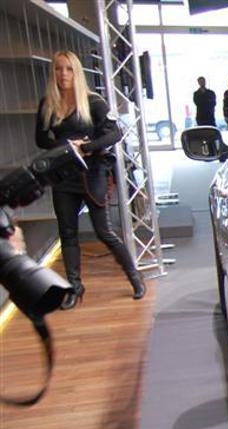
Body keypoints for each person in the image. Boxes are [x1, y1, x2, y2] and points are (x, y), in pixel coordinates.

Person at [34, 51, 145, 310]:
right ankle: (75, 288)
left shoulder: (93, 101)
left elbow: (115, 133)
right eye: (58, 69)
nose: (63, 74)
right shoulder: (48, 103)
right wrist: (65, 146)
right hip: (63, 176)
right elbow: (40, 139)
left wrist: (87, 147)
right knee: (68, 234)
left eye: (68, 69)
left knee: (104, 231)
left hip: (91, 173)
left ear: (77, 72)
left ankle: (134, 277)